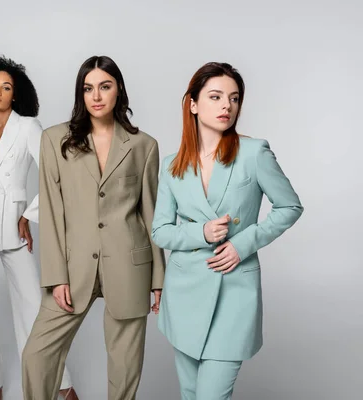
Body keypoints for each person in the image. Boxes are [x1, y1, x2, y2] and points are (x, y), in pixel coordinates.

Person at [151, 62, 304, 400]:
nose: (227, 106)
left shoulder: (254, 152)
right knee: (190, 393)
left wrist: (242, 244)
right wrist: (200, 234)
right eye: (216, 96)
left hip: (234, 291)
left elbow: (290, 206)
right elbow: (160, 231)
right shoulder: (172, 165)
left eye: (234, 98)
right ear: (193, 104)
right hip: (185, 291)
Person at [21, 55, 165, 400]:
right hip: (73, 267)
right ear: (80, 94)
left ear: (119, 91)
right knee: (36, 356)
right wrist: (56, 275)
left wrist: (158, 277)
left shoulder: (144, 146)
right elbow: (53, 212)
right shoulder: (55, 140)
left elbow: (151, 215)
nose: (96, 96)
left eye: (105, 86)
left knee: (125, 365)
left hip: (130, 265)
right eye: (88, 88)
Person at [0, 55, 77, 400]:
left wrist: (30, 213)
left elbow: (56, 173)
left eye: (6, 87)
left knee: (33, 307)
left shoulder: (28, 127)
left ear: (16, 95)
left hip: (10, 222)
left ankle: (62, 386)